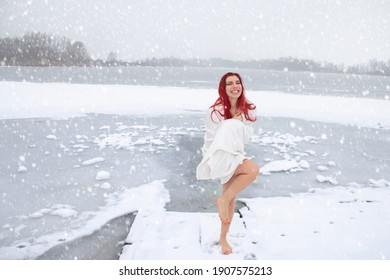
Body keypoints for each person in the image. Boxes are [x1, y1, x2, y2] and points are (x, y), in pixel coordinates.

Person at [196, 72, 259, 255]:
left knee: (230, 200)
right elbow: (210, 139)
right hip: (219, 155)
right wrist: (210, 161)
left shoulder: (247, 108)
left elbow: (247, 136)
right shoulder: (214, 111)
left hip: (236, 153)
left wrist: (238, 123)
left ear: (241, 86)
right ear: (223, 88)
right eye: (230, 83)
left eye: (237, 82)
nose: (234, 86)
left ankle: (224, 238)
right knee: (252, 170)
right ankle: (223, 204)